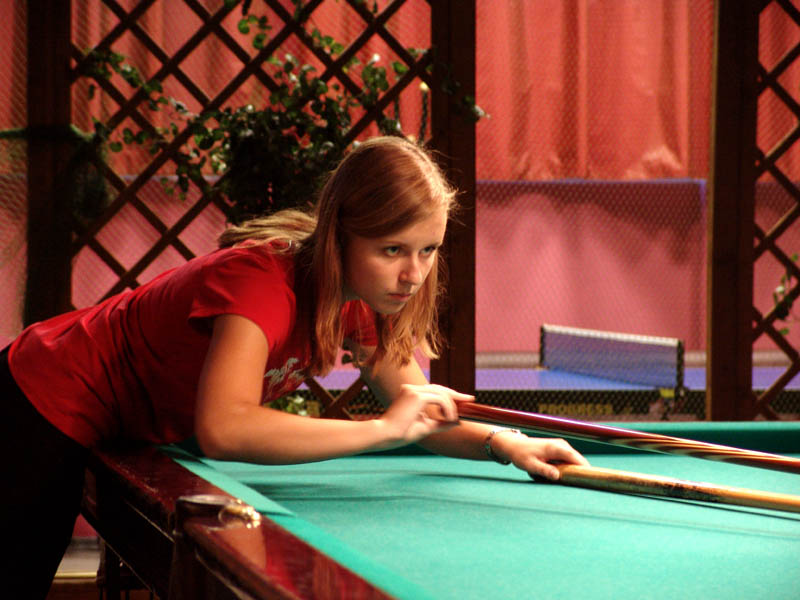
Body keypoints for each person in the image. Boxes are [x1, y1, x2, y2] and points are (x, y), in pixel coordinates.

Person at [1, 135, 588, 598]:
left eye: (427, 250)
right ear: (339, 237)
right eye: (392, 250)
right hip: (41, 393)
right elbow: (225, 427)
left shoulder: (361, 299)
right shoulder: (261, 281)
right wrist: (381, 431)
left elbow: (420, 411)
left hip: (110, 418)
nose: (414, 274)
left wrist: (508, 444)